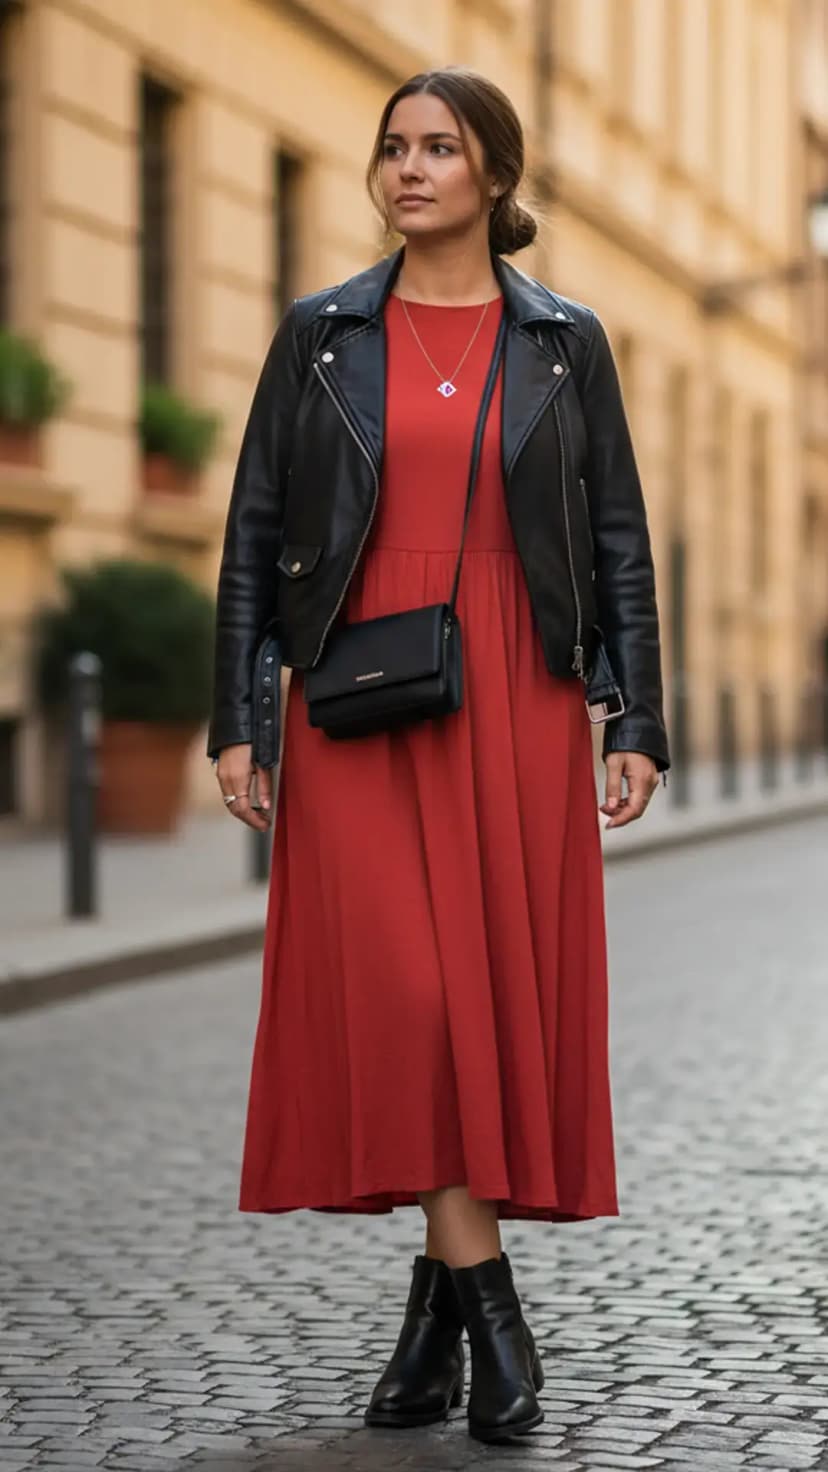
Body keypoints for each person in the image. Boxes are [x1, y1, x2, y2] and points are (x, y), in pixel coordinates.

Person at [207, 65, 670, 1445]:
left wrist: (632, 714)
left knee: (481, 1005)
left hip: (514, 698)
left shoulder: (565, 342)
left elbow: (618, 545)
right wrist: (240, 711)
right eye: (393, 148)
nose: (409, 170)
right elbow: (254, 528)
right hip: (355, 699)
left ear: (495, 176)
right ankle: (496, 1319)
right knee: (407, 998)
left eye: (440, 148)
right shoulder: (325, 334)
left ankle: (428, 1333)